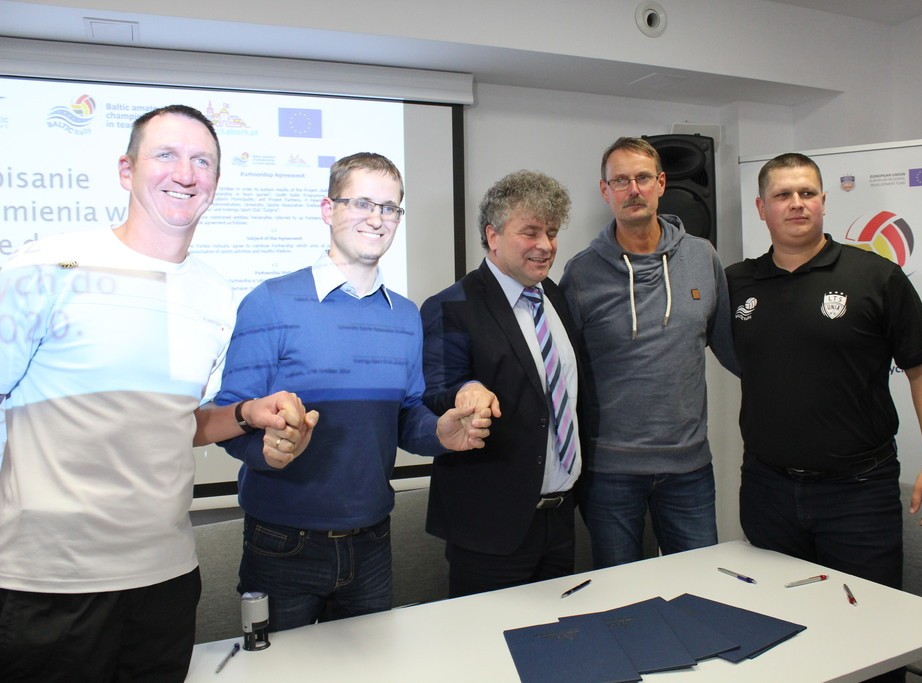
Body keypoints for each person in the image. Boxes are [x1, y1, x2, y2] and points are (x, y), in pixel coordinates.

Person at [0, 105, 316, 682]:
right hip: (50, 583)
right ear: (127, 170)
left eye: (202, 161)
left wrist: (247, 413)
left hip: (165, 578)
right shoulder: (46, 265)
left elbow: (174, 421)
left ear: (216, 182)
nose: (185, 174)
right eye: (165, 155)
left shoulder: (213, 293)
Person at [214, 152, 493, 631]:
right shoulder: (269, 302)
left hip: (371, 541)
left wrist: (440, 434)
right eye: (362, 203)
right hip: (284, 544)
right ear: (328, 209)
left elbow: (406, 415)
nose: (377, 219)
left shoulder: (405, 316)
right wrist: (267, 451)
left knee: (371, 667)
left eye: (389, 208)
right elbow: (227, 415)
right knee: (281, 669)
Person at [726, 152, 922, 588]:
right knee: (776, 612)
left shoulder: (876, 276)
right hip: (766, 488)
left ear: (823, 202)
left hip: (858, 493)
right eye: (783, 195)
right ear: (761, 208)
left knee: (868, 614)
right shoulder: (736, 283)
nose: (797, 203)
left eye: (807, 192)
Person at [559, 136, 738, 570]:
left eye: (642, 178)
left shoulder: (702, 257)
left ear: (661, 184)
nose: (633, 189)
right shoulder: (581, 273)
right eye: (621, 181)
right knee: (621, 596)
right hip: (610, 472)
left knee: (700, 587)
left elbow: (734, 350)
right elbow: (564, 372)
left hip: (689, 469)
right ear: (605, 191)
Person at [420, 169, 587, 597]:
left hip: (559, 517)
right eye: (530, 232)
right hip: (489, 527)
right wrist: (466, 392)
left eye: (552, 232)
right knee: (485, 640)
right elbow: (438, 388)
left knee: (561, 632)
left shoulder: (555, 297)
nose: (546, 245)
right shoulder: (451, 305)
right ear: (492, 236)